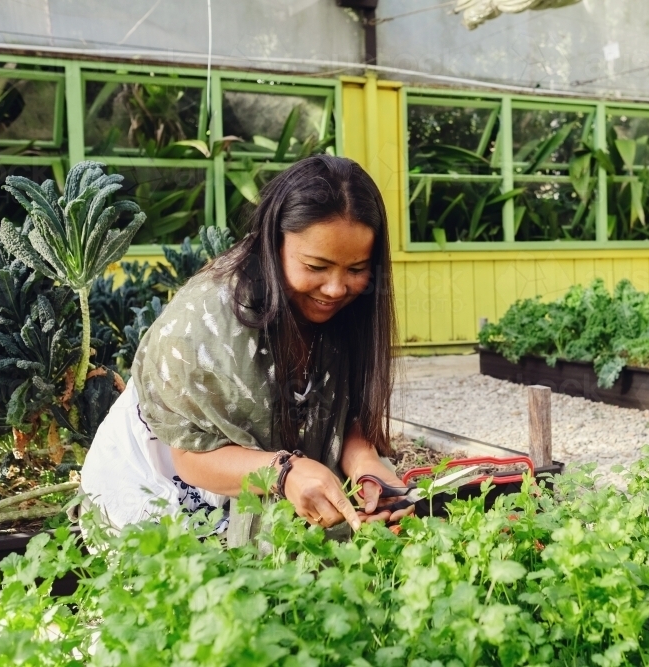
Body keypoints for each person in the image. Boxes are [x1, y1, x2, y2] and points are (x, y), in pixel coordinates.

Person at [79, 155, 410, 534]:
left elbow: (345, 411)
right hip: (159, 492)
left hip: (266, 477)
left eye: (355, 270)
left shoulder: (349, 309)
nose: (336, 288)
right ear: (274, 245)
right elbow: (190, 456)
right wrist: (284, 473)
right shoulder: (206, 321)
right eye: (316, 267)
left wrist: (367, 464)